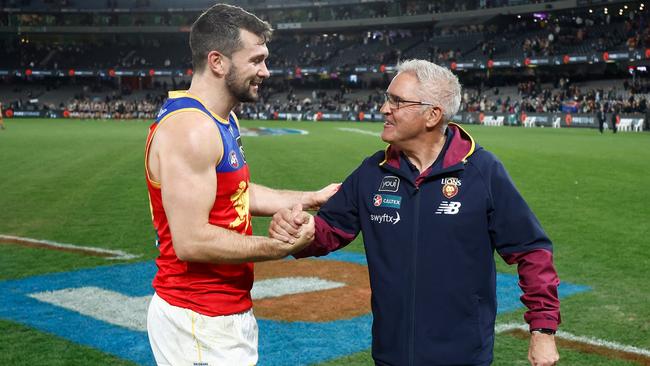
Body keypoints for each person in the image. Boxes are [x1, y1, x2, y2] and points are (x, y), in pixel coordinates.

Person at [270, 59, 561, 366]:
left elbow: (531, 250)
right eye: (387, 98)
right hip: (390, 354)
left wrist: (542, 330)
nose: (384, 108)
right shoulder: (372, 172)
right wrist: (304, 232)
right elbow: (330, 229)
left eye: (397, 101)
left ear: (432, 114)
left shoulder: (482, 172)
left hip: (462, 356)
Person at [144, 4, 338, 365]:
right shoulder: (192, 129)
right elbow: (191, 241)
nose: (266, 71)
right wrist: (278, 247)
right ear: (218, 62)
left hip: (220, 312)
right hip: (199, 318)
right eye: (257, 60)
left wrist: (311, 197)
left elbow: (237, 192)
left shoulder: (221, 118)